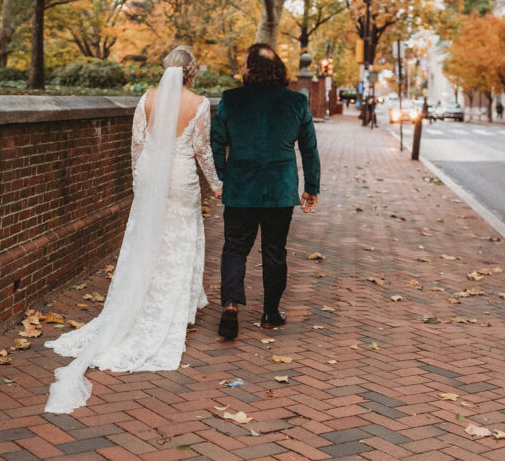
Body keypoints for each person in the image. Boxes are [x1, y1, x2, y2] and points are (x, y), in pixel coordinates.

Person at [44, 46, 222, 413]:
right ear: (191, 73)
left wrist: (140, 182)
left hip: (150, 176)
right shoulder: (200, 103)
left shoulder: (147, 98)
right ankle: (176, 306)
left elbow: (137, 144)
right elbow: (202, 150)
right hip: (180, 179)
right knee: (181, 239)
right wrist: (216, 183)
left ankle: (137, 300)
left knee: (145, 238)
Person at [211, 43, 321, 340]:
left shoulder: (231, 100)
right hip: (278, 189)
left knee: (235, 248)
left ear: (249, 69)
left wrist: (222, 178)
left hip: (241, 187)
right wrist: (312, 187)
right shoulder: (296, 102)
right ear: (280, 70)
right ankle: (271, 313)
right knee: (275, 251)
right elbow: (309, 148)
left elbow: (216, 143)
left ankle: (231, 306)